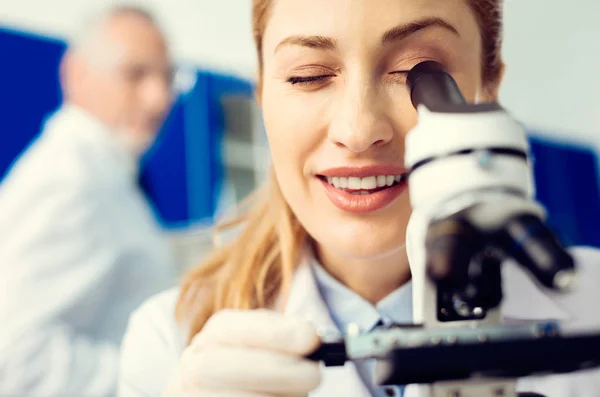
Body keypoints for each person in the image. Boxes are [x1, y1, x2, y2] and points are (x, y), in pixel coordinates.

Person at [117, 0, 600, 396]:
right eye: (307, 76)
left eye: (417, 71)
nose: (359, 129)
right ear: (262, 94)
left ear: (488, 88)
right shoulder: (168, 342)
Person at [0, 5, 178, 397]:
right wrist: (171, 377)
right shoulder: (68, 181)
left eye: (167, 77)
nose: (158, 99)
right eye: (136, 74)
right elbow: (16, 360)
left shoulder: (106, 172)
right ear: (76, 74)